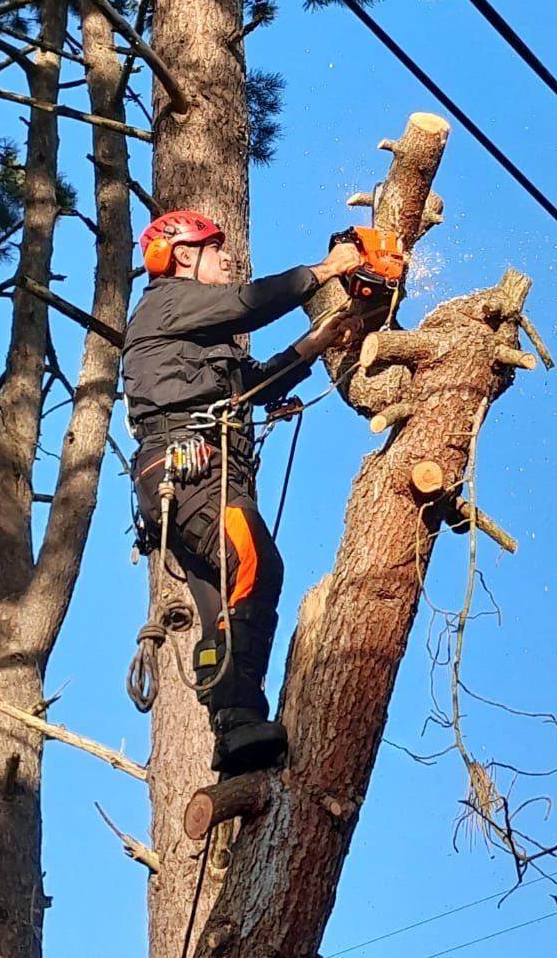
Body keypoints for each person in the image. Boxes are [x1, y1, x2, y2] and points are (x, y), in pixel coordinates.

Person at [122, 209, 363, 776]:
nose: (226, 258)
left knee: (222, 619)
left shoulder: (191, 332)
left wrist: (314, 343)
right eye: (214, 248)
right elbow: (250, 302)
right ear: (184, 255)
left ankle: (236, 731)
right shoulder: (167, 300)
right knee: (255, 564)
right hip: (193, 472)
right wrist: (328, 269)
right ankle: (239, 722)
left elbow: (247, 387)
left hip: (185, 481)